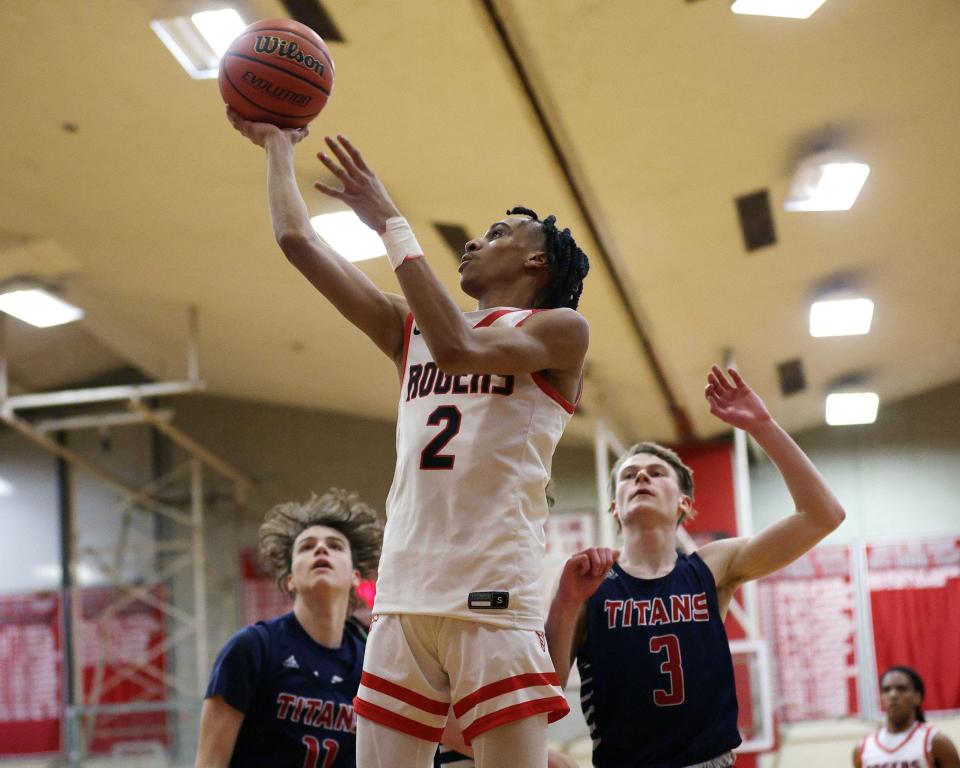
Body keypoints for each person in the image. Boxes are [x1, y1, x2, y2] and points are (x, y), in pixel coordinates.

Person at [227, 110, 590, 768]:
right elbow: (297, 240)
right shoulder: (408, 328)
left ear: (536, 259)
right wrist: (278, 147)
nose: (475, 243)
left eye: (497, 233)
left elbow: (459, 347)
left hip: (490, 594)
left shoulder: (560, 330)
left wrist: (390, 222)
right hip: (403, 594)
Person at [546, 366, 847, 768]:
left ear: (684, 504)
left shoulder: (712, 566)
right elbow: (544, 692)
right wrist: (565, 602)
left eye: (656, 473)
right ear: (616, 507)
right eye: (629, 476)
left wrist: (763, 425)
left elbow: (823, 515)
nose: (642, 478)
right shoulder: (589, 584)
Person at [195, 490, 383, 767]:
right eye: (307, 546)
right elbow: (210, 762)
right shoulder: (252, 648)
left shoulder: (372, 662)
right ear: (291, 579)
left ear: (356, 576)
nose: (321, 549)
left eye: (335, 545)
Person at [854, 666, 960, 768]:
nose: (893, 695)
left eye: (902, 689)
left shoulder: (934, 741)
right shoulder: (863, 748)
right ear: (881, 699)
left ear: (917, 697)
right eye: (886, 690)